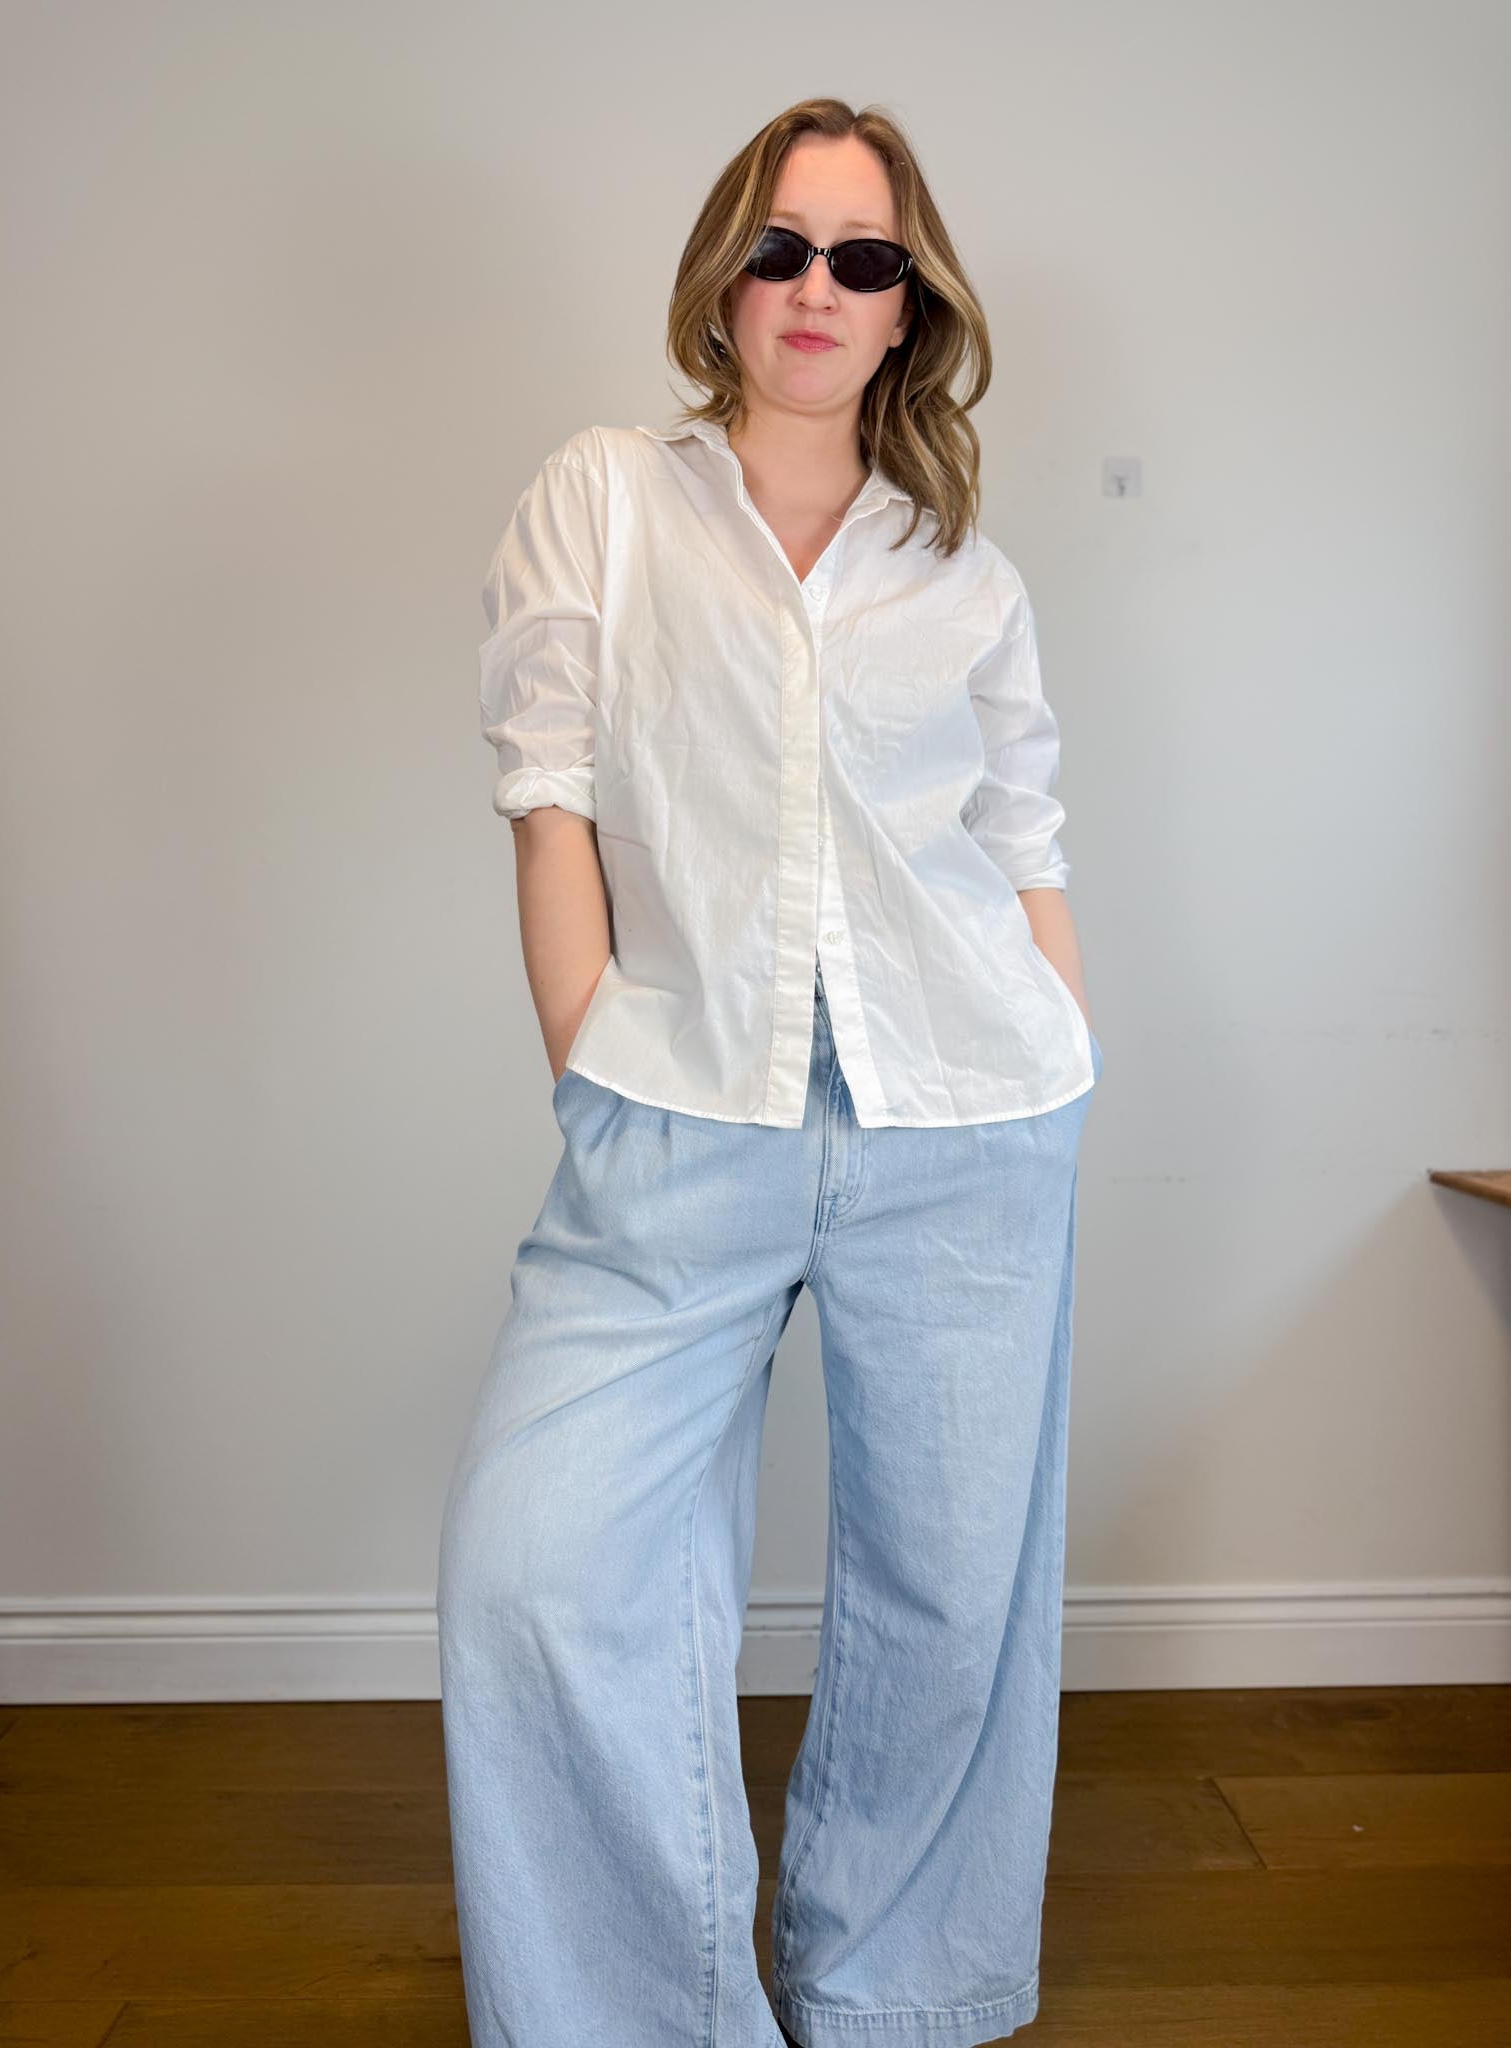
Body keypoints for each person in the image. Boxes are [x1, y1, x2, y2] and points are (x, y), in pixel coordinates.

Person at [436, 95, 1103, 2048]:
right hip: (675, 1114)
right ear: (725, 280)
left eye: (863, 257)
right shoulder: (606, 498)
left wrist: (1064, 1057)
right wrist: (592, 1058)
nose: (819, 286)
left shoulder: (962, 571)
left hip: (968, 1122)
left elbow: (1023, 838)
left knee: (949, 1599)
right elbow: (548, 789)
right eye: (782, 247)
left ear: (910, 305)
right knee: (543, 1571)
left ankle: (891, 1993)